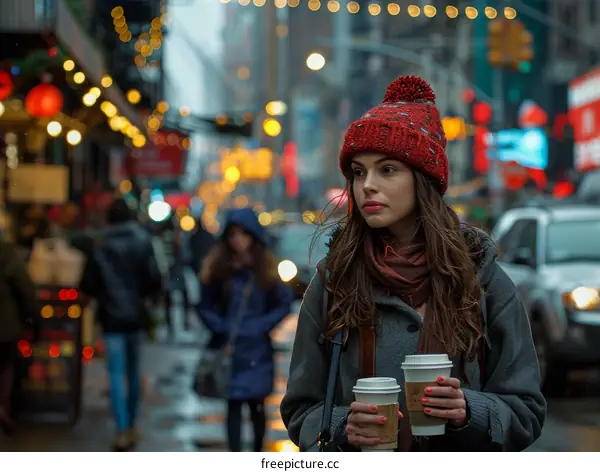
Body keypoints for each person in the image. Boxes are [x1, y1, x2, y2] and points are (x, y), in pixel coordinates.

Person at [280, 76, 546, 452]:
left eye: (387, 170)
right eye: (359, 172)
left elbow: (527, 411)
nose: (367, 185)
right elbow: (300, 409)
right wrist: (342, 426)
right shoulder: (334, 279)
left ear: (423, 180)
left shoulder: (482, 279)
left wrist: (469, 410)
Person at [198, 208, 293, 452]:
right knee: (233, 407)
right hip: (230, 349)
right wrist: (221, 326)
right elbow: (204, 305)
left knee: (257, 406)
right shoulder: (219, 268)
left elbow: (283, 302)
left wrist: (261, 325)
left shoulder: (265, 269)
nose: (238, 239)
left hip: (257, 351)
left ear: (253, 236)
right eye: (233, 234)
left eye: (243, 234)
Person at [80, 198, 162, 451]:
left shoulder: (101, 244)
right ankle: (133, 424)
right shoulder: (143, 241)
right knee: (134, 372)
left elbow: (88, 283)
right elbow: (154, 279)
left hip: (111, 318)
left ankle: (121, 428)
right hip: (135, 318)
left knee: (115, 374)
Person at [0, 240, 39, 434]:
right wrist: (31, 316)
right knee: (5, 367)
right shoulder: (6, 252)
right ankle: (3, 407)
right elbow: (25, 289)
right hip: (4, 327)